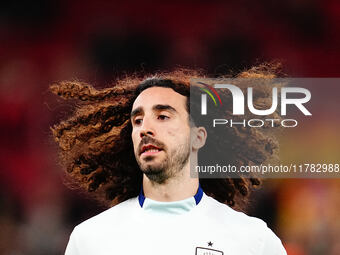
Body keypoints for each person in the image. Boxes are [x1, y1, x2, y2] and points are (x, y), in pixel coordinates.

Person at [50, 66, 287, 255]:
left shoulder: (254, 241)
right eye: (138, 121)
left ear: (198, 137)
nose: (145, 129)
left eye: (162, 116)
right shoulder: (90, 240)